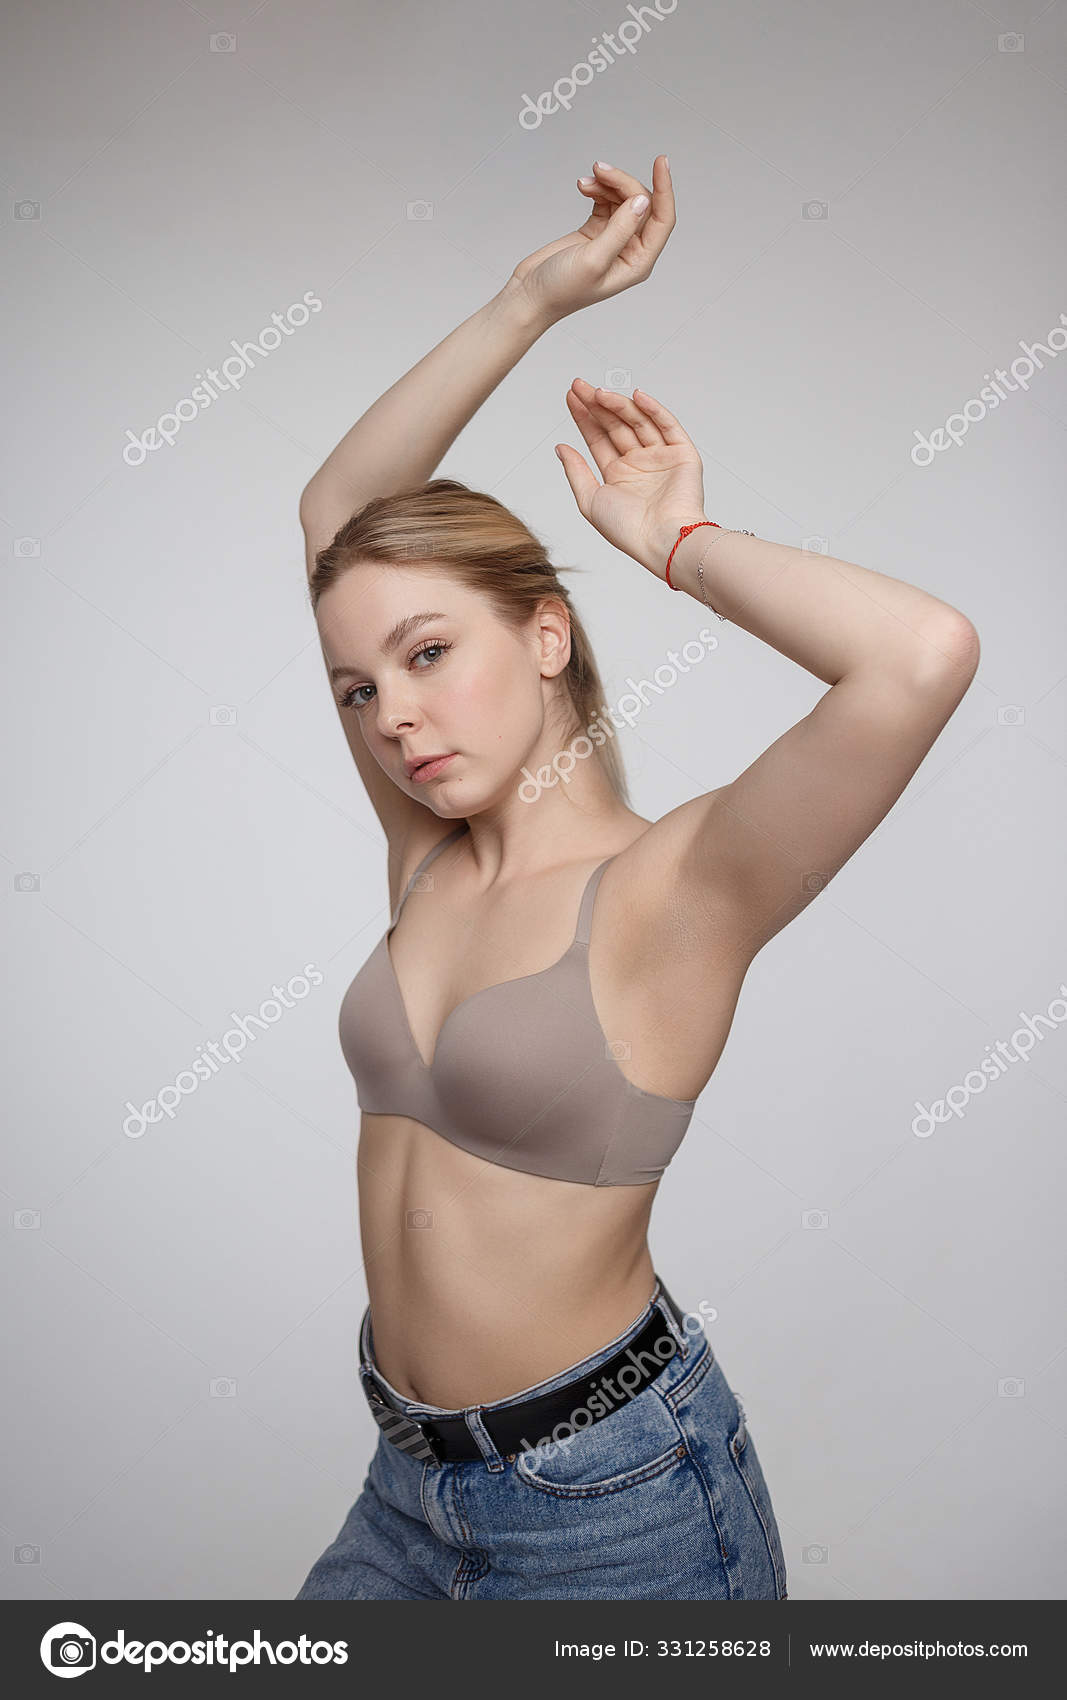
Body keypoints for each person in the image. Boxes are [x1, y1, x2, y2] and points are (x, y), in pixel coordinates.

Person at [294, 157, 979, 1601]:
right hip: (409, 1484)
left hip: (615, 1507)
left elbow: (917, 656)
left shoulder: (679, 885)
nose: (394, 715)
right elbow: (338, 510)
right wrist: (538, 296)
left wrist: (676, 544)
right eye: (359, 689)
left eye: (429, 653)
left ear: (548, 639)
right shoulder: (428, 850)